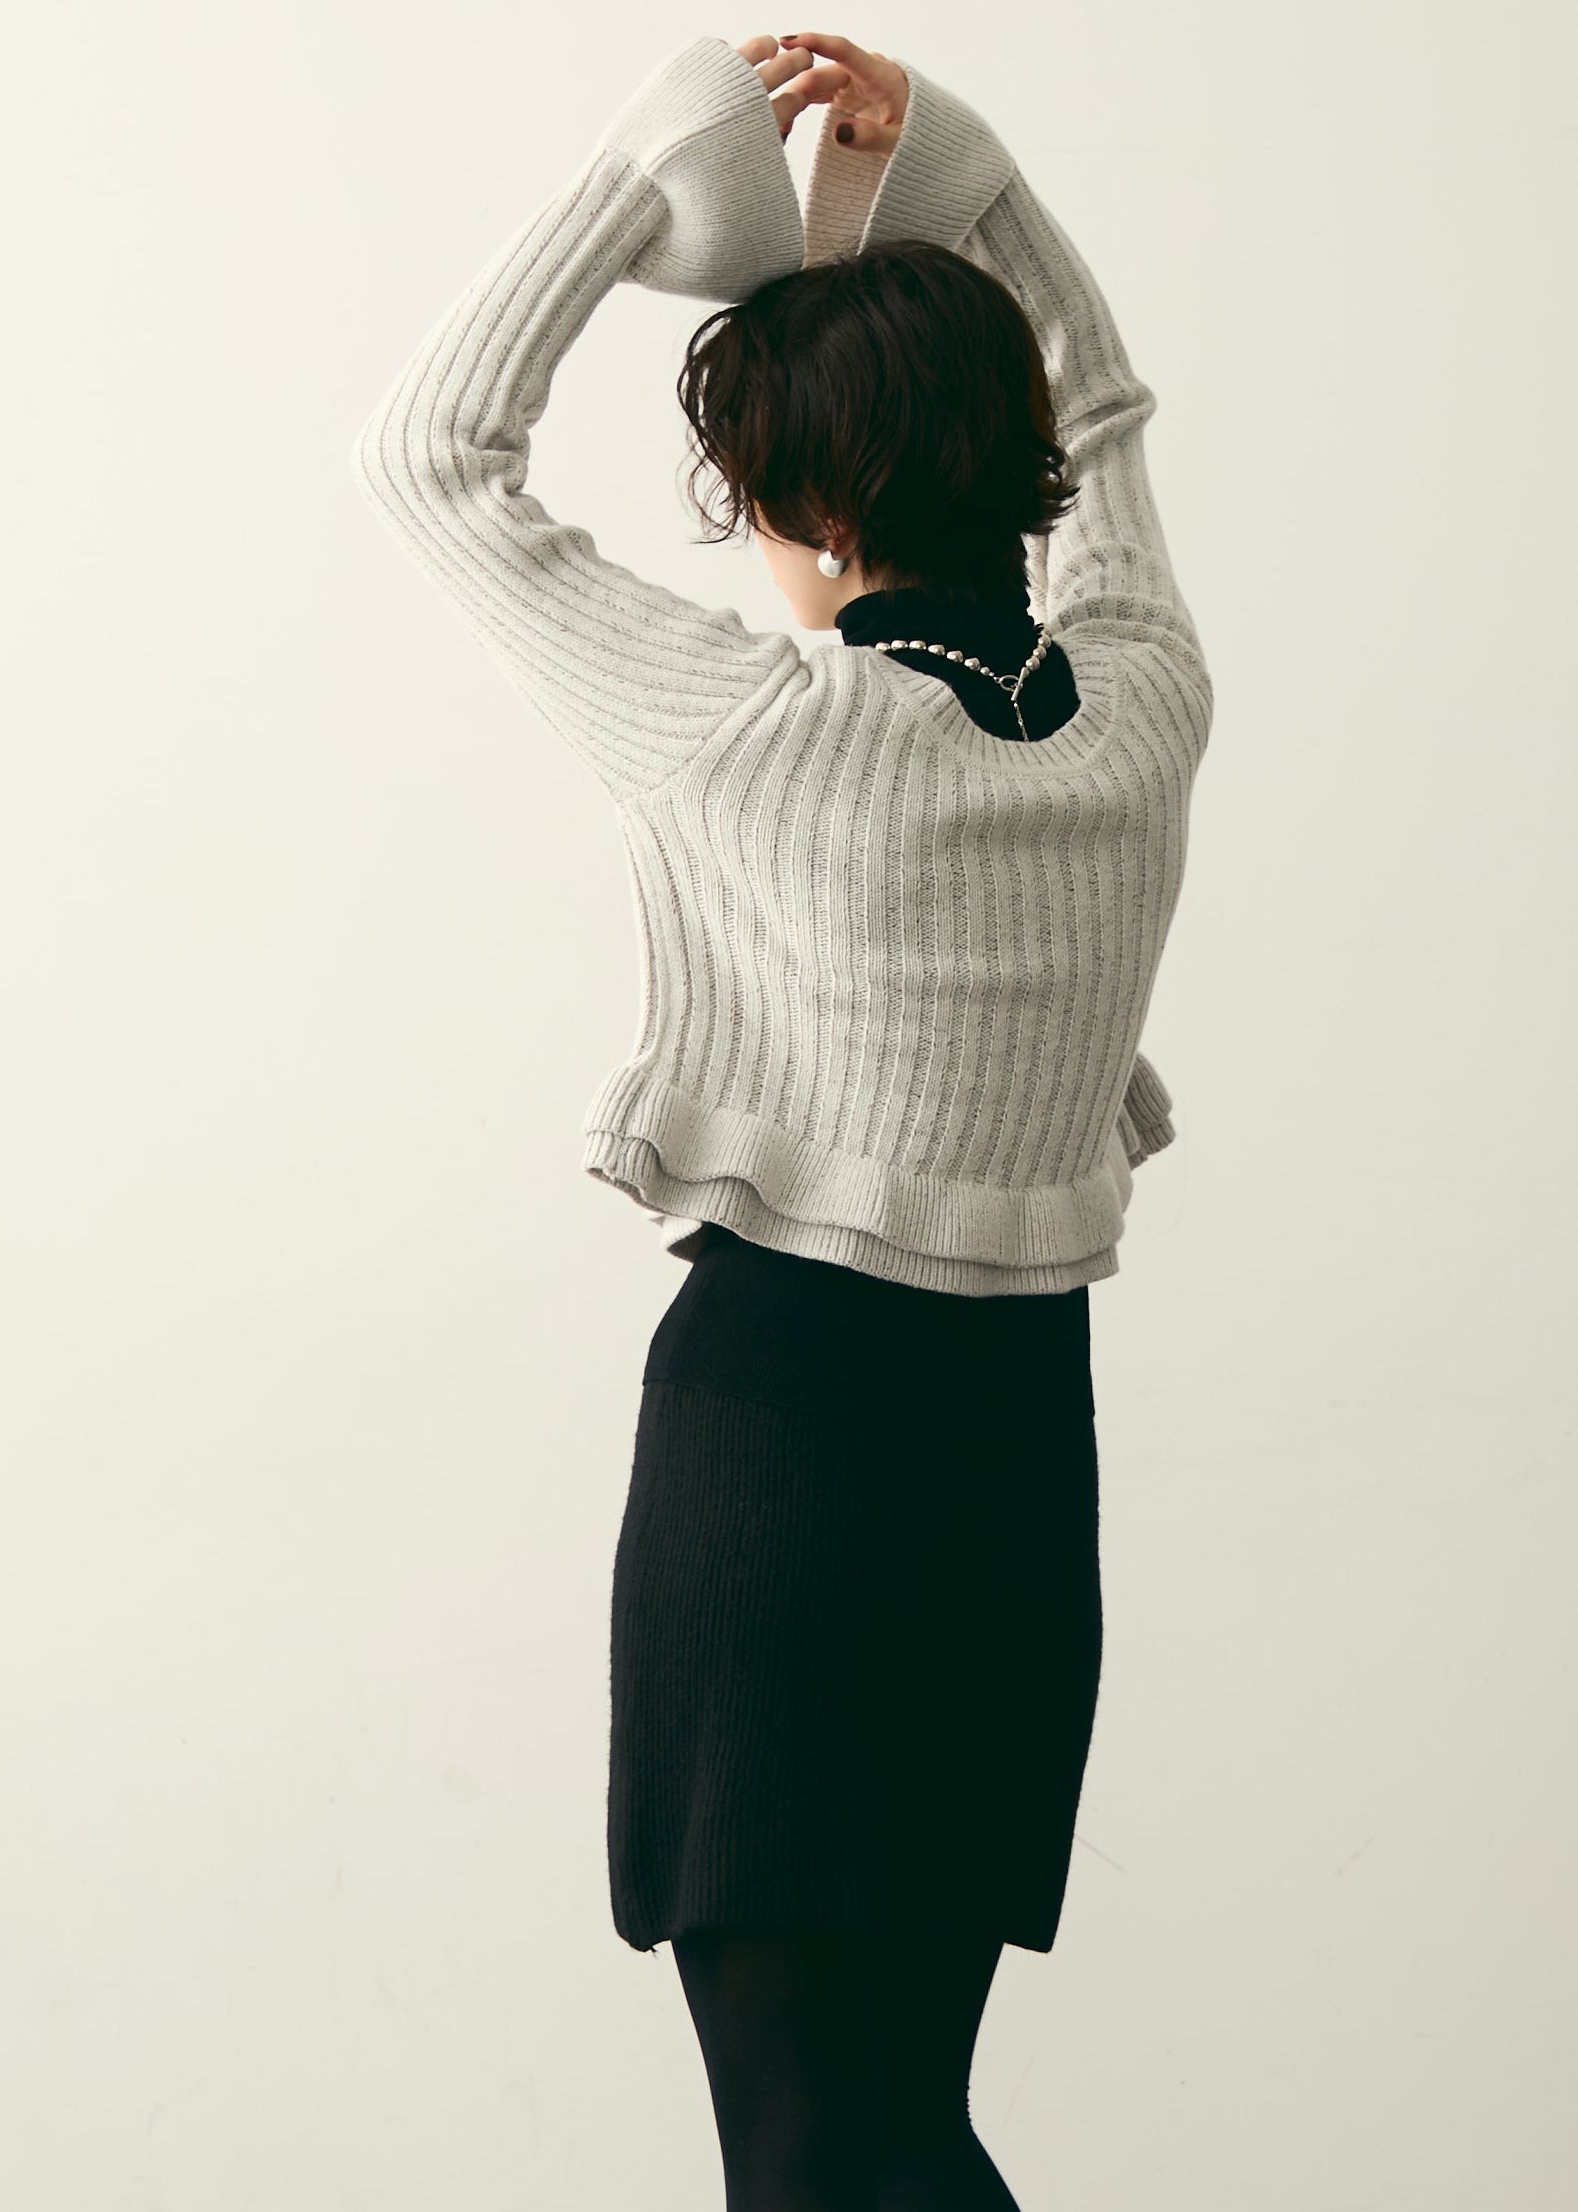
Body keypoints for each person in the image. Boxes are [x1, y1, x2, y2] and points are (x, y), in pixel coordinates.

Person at [351, 26, 1213, 2208]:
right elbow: (1111, 413)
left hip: (791, 1458)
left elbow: (435, 458)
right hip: (1015, 1471)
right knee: (893, 2119)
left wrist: (649, 170)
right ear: (1014, 470)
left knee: (816, 2146)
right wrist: (971, 180)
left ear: (808, 507)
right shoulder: (1137, 713)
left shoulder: (761, 730)